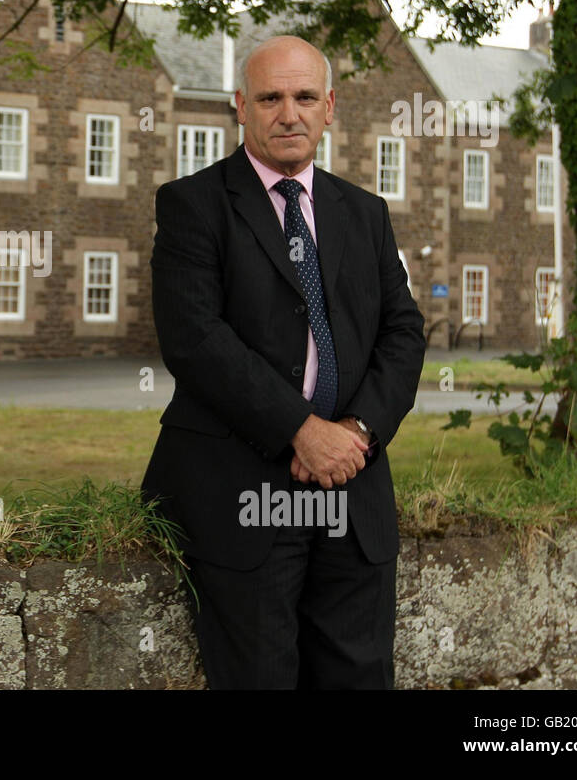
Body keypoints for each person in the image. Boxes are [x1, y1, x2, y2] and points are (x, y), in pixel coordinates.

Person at [141, 35, 425, 689]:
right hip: (241, 493)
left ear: (330, 107)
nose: (287, 113)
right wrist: (301, 428)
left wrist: (354, 433)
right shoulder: (193, 205)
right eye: (270, 97)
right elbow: (194, 338)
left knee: (359, 676)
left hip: (350, 493)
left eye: (304, 97)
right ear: (242, 106)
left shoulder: (366, 213)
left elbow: (403, 333)